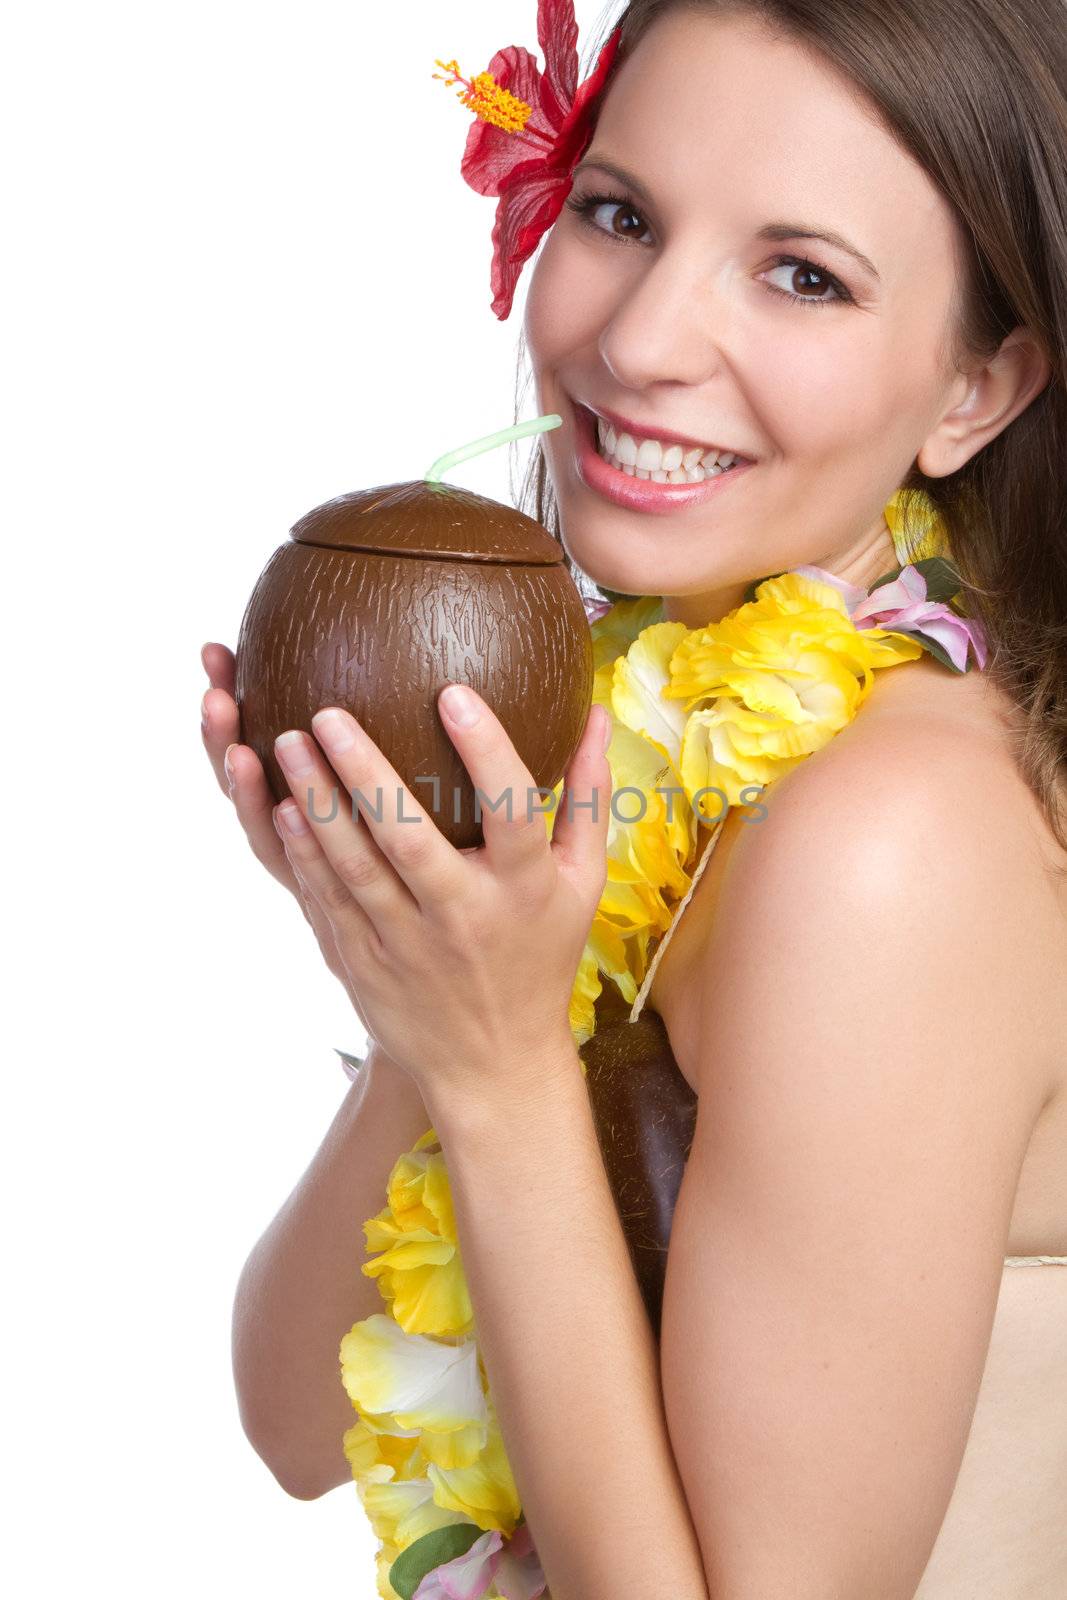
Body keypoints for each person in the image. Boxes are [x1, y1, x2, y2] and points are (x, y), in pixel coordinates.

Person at [203, 2, 1067, 1595]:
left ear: (979, 388)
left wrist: (505, 1061)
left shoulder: (891, 837)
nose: (645, 337)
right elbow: (294, 1427)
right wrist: (426, 985)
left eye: (803, 273)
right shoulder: (641, 727)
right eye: (620, 214)